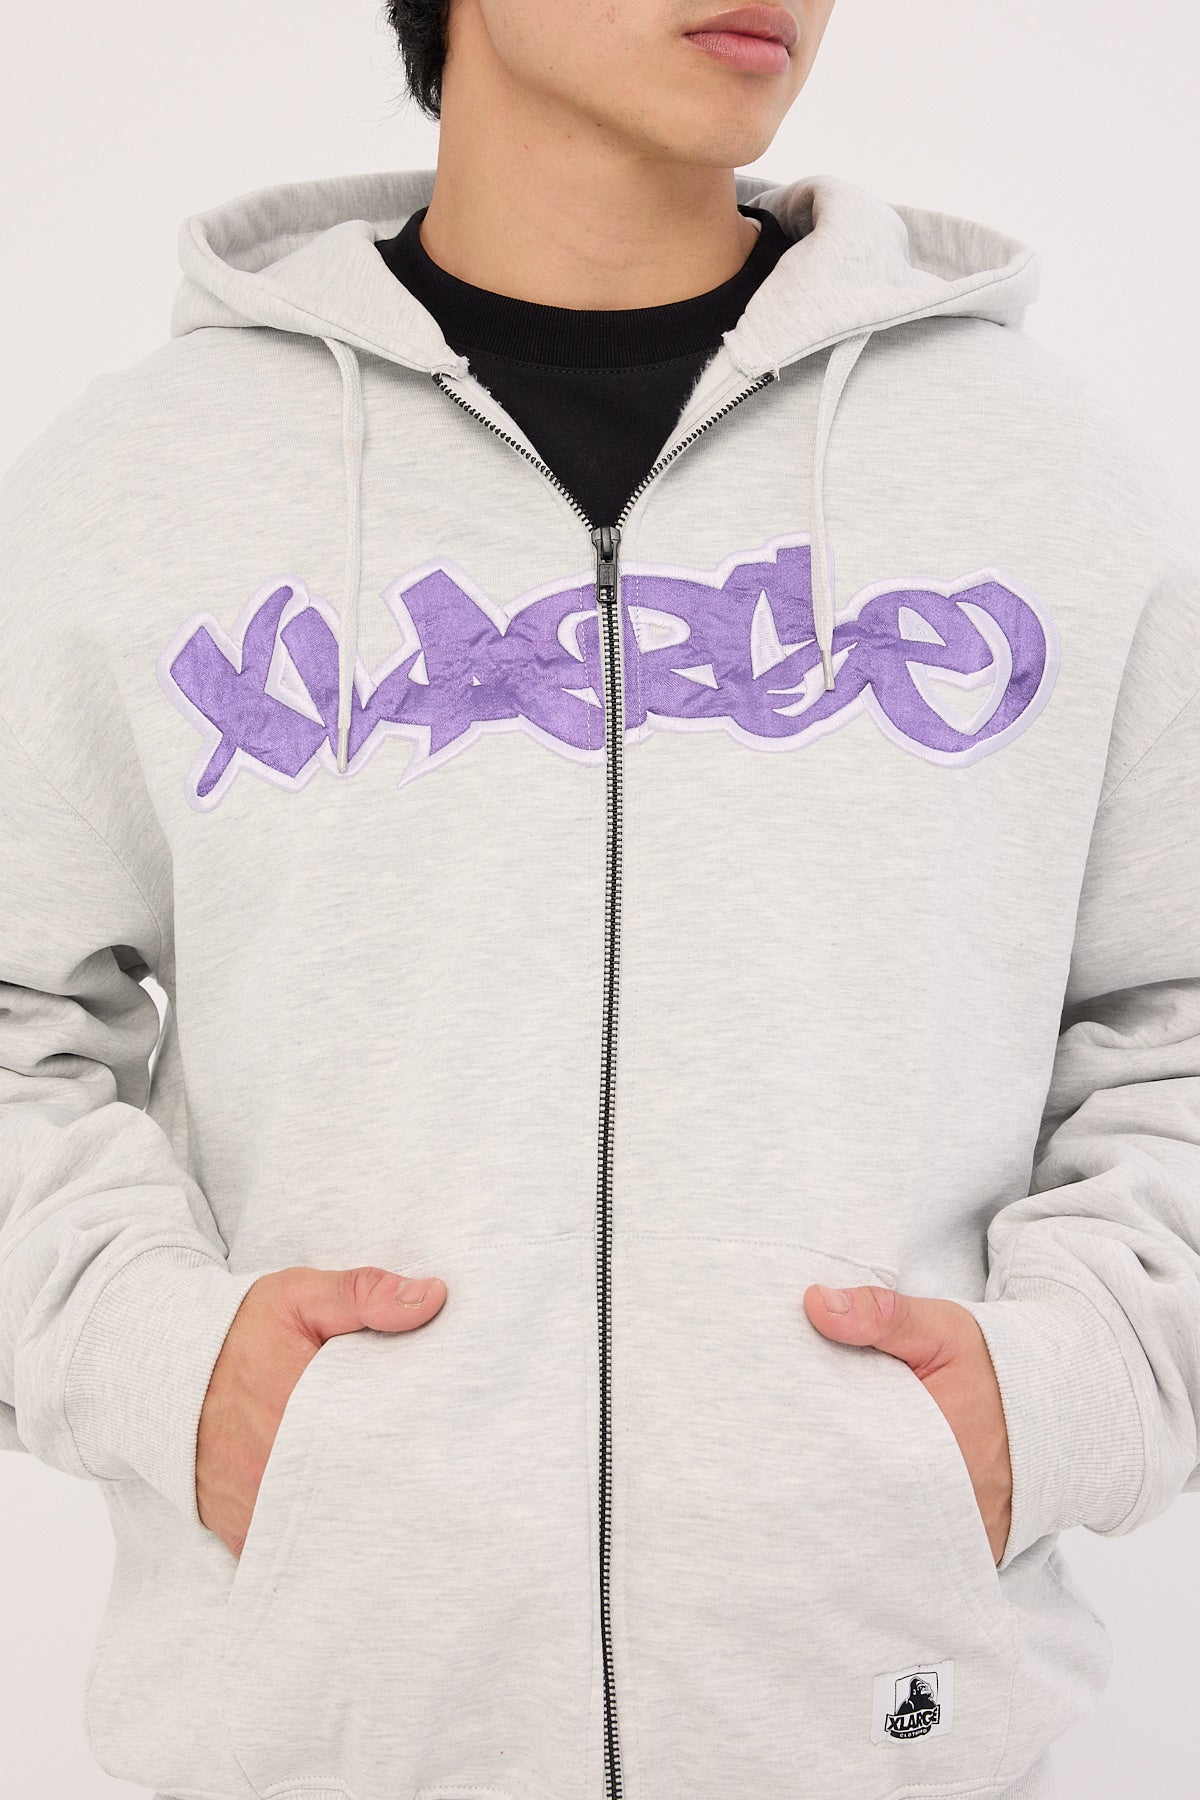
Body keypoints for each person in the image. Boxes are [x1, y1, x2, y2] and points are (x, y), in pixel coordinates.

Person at [1, 2, 1197, 1797]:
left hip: (882, 1731)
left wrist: (1060, 1398)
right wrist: (165, 1363)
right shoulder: (141, 486)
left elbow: (1175, 1021)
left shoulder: (1047, 480)